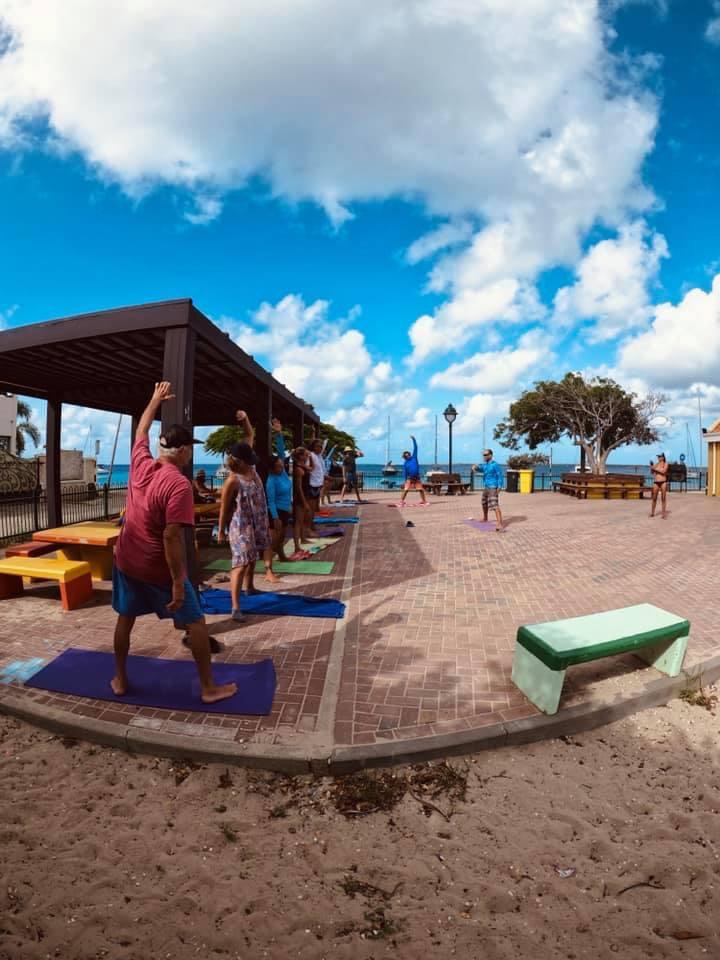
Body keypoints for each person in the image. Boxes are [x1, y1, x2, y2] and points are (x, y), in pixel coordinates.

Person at [111, 382, 236, 704]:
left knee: (125, 619)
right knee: (196, 622)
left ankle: (121, 680)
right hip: (157, 568)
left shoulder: (140, 463)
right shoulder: (178, 485)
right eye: (190, 448)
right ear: (182, 451)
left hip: (126, 559)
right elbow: (171, 536)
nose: (191, 452)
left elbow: (141, 430)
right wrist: (179, 582)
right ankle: (208, 688)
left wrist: (154, 400)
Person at [217, 440, 271, 619]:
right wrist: (221, 531)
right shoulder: (233, 480)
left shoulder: (252, 471)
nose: (251, 463)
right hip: (241, 525)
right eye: (247, 460)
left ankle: (250, 587)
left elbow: (250, 435)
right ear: (240, 461)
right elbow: (224, 508)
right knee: (240, 564)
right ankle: (235, 606)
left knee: (253, 557)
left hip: (258, 521)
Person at [264, 418, 293, 578]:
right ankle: (268, 570)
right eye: (279, 467)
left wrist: (279, 433)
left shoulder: (281, 473)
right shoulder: (271, 481)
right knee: (272, 541)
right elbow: (271, 502)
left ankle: (281, 556)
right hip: (275, 512)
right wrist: (275, 518)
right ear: (271, 468)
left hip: (285, 509)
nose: (282, 467)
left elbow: (281, 452)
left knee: (281, 537)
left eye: (282, 465)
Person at [472, 448, 504, 532]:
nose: (484, 456)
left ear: (491, 455)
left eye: (486, 455)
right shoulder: (485, 465)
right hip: (486, 486)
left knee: (494, 504)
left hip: (493, 487)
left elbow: (500, 476)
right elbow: (479, 469)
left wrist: (499, 486)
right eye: (483, 455)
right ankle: (485, 518)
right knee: (484, 502)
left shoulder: (495, 465)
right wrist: (475, 467)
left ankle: (500, 524)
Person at [399, 435, 428, 506]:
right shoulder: (405, 463)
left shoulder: (414, 457)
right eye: (406, 456)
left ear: (410, 454)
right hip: (409, 478)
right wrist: (405, 480)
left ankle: (424, 501)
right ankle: (401, 501)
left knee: (420, 489)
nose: (408, 456)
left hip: (416, 477)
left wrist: (414, 439)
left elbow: (416, 447)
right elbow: (405, 472)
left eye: (408, 455)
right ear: (405, 457)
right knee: (406, 489)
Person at [649, 452, 669, 519]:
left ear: (663, 457)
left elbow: (663, 472)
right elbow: (652, 472)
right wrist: (651, 466)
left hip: (663, 482)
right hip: (656, 482)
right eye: (658, 457)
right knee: (654, 498)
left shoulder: (666, 464)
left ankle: (663, 514)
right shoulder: (656, 464)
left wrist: (654, 469)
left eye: (659, 456)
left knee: (663, 498)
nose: (658, 458)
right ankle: (652, 513)